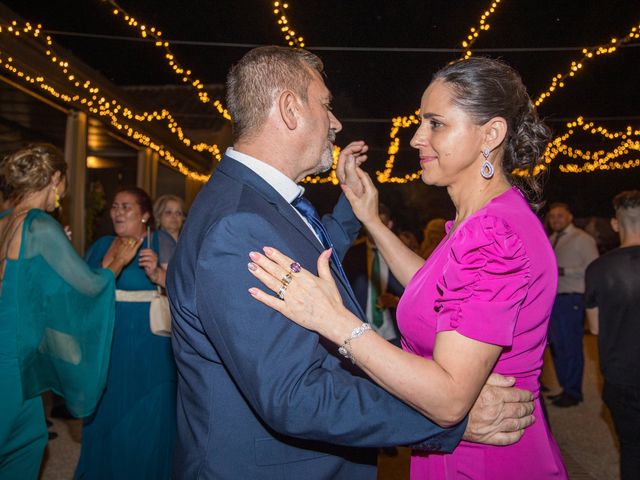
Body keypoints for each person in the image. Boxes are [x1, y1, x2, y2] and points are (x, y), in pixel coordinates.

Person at [167, 46, 535, 480]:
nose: (336, 122)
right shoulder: (239, 226)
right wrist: (445, 421)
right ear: (289, 109)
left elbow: (314, 253)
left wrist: (358, 210)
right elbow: (295, 396)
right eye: (325, 104)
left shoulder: (257, 204)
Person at [248, 56, 568, 479]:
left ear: (490, 134)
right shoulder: (482, 222)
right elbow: (435, 291)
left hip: (485, 460)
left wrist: (334, 321)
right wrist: (372, 221)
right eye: (421, 122)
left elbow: (451, 398)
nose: (417, 138)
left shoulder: (493, 234)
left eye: (436, 124)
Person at [0, 143, 139, 480]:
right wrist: (117, 261)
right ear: (56, 179)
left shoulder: (6, 220)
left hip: (10, 351)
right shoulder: (37, 224)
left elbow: (26, 287)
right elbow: (86, 288)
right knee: (20, 447)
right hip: (13, 362)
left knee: (27, 437)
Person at [74, 187, 177, 480]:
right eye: (115, 206)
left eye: (126, 207)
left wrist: (157, 273)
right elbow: (82, 287)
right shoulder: (103, 244)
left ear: (145, 215)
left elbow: (184, 287)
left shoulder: (160, 240)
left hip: (149, 341)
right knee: (107, 406)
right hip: (109, 337)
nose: (118, 212)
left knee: (149, 412)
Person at [585, 190, 640, 480]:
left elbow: (594, 328)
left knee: (631, 447)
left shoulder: (597, 269)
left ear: (616, 224)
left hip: (621, 376)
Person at [546, 202, 599, 407]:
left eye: (560, 216)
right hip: (555, 301)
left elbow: (593, 268)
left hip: (572, 299)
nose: (555, 220)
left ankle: (574, 392)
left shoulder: (582, 239)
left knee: (572, 347)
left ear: (570, 216)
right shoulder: (551, 239)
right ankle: (565, 388)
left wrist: (563, 271)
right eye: (552, 217)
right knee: (558, 347)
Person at [342, 203, 403, 345]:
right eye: (372, 224)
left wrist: (395, 300)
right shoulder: (352, 255)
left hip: (395, 333)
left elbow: (413, 292)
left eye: (381, 224)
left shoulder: (400, 254)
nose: (376, 230)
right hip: (361, 333)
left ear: (389, 225)